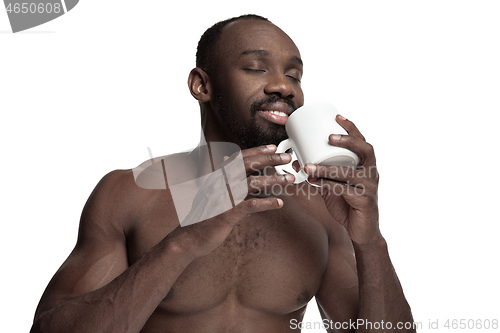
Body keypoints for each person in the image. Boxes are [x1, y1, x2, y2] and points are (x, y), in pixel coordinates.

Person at [30, 14, 415, 333]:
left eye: (294, 75)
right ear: (202, 85)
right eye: (255, 67)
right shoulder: (130, 193)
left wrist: (370, 242)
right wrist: (183, 241)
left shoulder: (319, 210)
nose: (284, 86)